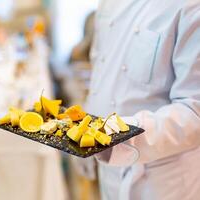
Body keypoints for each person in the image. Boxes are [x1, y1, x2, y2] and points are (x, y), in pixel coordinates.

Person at [76, 0, 200, 199]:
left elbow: (194, 113)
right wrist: (85, 128)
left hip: (161, 181)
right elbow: (102, 71)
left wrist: (120, 135)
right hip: (109, 170)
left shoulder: (191, 6)